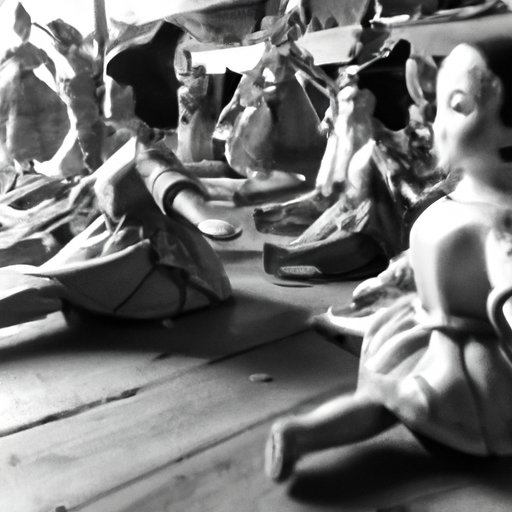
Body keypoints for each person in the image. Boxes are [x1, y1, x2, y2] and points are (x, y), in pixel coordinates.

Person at [265, 36, 512, 481]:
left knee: (391, 401)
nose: (436, 124)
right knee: (383, 395)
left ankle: (303, 436)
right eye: (437, 104)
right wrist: (398, 273)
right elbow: (434, 254)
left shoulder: (499, 225)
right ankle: (301, 434)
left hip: (467, 360)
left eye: (458, 107)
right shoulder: (453, 200)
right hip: (424, 331)